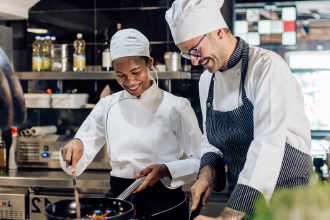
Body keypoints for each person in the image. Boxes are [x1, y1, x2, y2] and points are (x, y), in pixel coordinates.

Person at [165, 0, 313, 219]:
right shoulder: (207, 81)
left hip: (286, 197)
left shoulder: (266, 67)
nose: (194, 61)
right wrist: (207, 171)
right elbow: (211, 140)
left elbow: (268, 144)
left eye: (195, 50)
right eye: (188, 54)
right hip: (243, 195)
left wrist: (229, 217)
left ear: (217, 31)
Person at [60, 29, 202, 220]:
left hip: (163, 205)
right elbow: (78, 152)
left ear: (149, 63)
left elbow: (201, 162)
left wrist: (167, 169)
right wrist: (74, 145)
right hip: (120, 203)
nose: (130, 81)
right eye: (121, 75)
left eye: (136, 72)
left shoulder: (176, 106)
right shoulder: (107, 105)